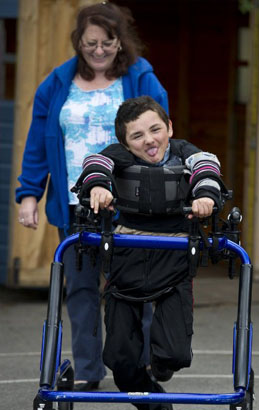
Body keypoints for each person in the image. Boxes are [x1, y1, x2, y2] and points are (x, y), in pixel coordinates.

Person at [15, 2, 168, 391]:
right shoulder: (57, 82)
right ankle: (87, 371)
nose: (98, 51)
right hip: (74, 205)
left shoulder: (141, 78)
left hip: (131, 204)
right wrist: (29, 195)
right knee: (81, 290)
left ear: (121, 40)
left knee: (138, 289)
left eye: (107, 42)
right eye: (90, 43)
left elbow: (162, 135)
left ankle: (142, 368)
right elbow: (38, 141)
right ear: (78, 42)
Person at [75, 96, 225, 410]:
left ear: (169, 127)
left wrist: (206, 195)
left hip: (174, 256)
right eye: (137, 136)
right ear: (125, 143)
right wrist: (99, 187)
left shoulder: (186, 153)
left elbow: (207, 165)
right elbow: (95, 164)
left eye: (155, 129)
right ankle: (155, 403)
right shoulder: (118, 155)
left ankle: (161, 366)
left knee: (174, 354)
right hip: (127, 254)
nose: (149, 140)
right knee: (120, 360)